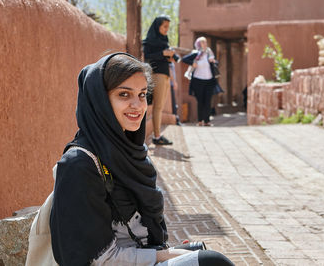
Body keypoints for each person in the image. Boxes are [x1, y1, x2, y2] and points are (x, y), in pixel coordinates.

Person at [49, 53, 235, 266]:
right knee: (213, 262)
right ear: (100, 99)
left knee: (200, 254)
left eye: (142, 94)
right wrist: (165, 256)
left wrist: (166, 251)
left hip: (138, 255)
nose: (137, 105)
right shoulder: (79, 165)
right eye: (124, 95)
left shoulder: (128, 151)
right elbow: (96, 260)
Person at [143, 15, 176, 145]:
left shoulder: (164, 41)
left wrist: (169, 57)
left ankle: (158, 135)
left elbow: (164, 57)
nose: (167, 29)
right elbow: (147, 56)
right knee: (158, 107)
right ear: (157, 26)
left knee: (160, 106)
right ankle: (157, 136)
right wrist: (163, 54)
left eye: (168, 26)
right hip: (157, 74)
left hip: (165, 75)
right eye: (165, 26)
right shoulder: (150, 41)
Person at [182, 37, 217, 126]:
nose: (205, 44)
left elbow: (215, 64)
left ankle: (207, 121)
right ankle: (200, 121)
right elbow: (184, 59)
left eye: (205, 42)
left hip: (209, 80)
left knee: (208, 101)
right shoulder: (196, 54)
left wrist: (213, 61)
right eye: (202, 42)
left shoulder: (209, 53)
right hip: (198, 81)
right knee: (200, 101)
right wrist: (192, 63)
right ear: (198, 44)